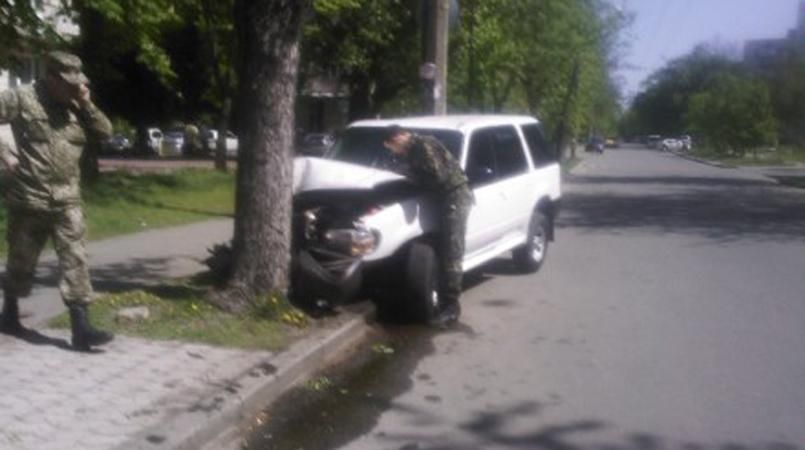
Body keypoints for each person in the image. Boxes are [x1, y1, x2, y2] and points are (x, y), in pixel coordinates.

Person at [0, 51, 114, 351]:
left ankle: (81, 328)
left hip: (67, 200)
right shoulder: (21, 98)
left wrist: (86, 103)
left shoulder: (79, 104)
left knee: (75, 260)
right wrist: (4, 153)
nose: (73, 88)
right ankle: (9, 314)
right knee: (20, 264)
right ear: (51, 78)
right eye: (68, 83)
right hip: (29, 199)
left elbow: (106, 132)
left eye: (78, 83)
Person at [383, 126, 473, 326]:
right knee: (443, 249)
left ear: (399, 137)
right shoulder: (412, 151)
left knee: (452, 250)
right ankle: (443, 297)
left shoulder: (424, 144)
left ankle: (452, 306)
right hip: (442, 199)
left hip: (454, 197)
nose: (394, 151)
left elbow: (437, 176)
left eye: (392, 146)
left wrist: (408, 174)